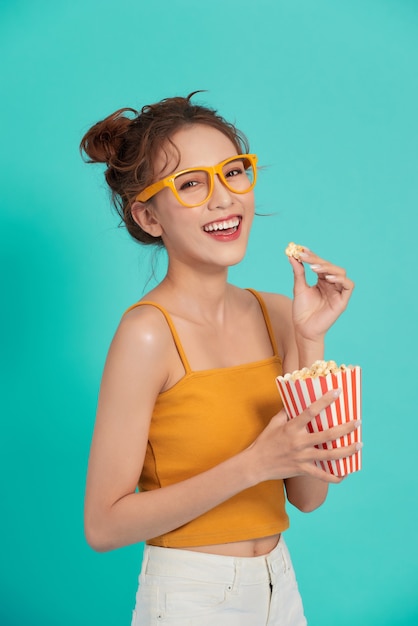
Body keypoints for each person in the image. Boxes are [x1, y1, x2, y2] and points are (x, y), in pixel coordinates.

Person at [80, 92, 359, 626]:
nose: (224, 199)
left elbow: (308, 496)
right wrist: (256, 463)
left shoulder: (279, 313)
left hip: (281, 585)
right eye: (190, 184)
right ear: (148, 216)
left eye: (233, 173)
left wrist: (311, 340)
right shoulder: (147, 334)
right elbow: (103, 525)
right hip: (191, 596)